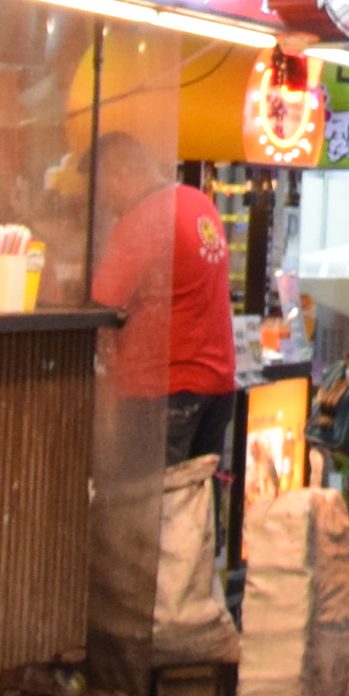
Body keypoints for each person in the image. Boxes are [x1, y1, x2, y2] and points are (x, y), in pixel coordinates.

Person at [90, 130, 237, 466]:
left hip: (164, 389)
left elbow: (102, 302)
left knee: (152, 507)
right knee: (194, 503)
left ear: (122, 171)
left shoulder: (144, 218)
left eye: (103, 186)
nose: (104, 201)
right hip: (215, 385)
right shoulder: (197, 202)